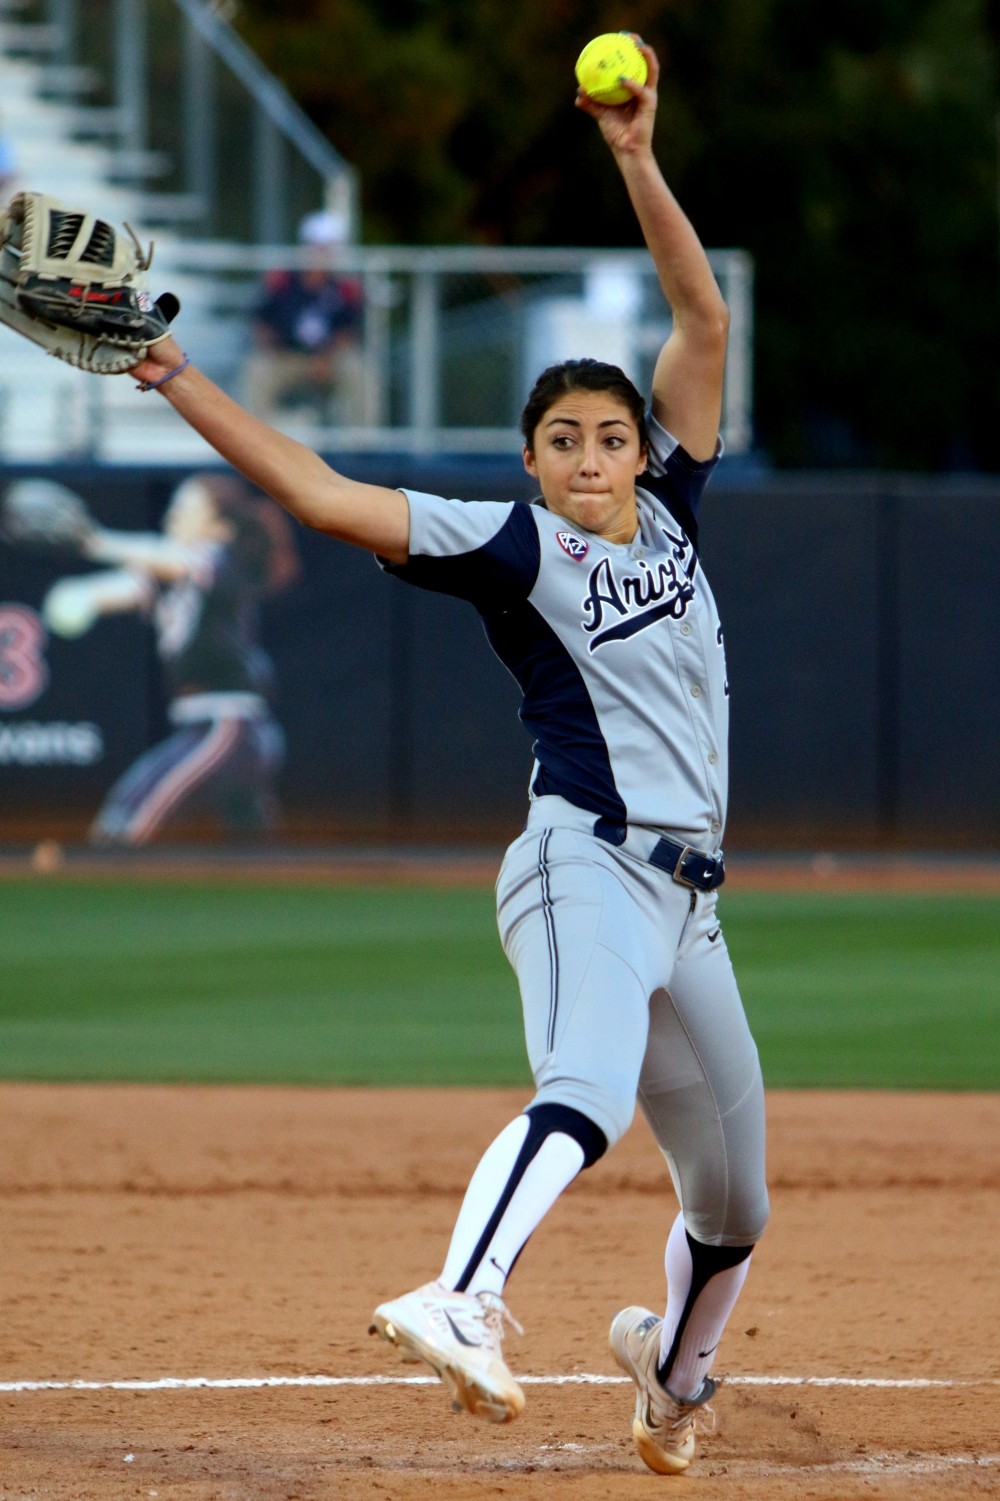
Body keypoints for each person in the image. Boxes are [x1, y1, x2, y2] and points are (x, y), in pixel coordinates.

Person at [122, 38, 768, 1475]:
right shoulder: (517, 543)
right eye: (565, 440)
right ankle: (459, 1293)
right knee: (587, 1091)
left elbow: (702, 313)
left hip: (694, 907)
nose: (596, 456)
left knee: (736, 1206)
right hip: (583, 866)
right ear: (531, 461)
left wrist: (635, 157)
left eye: (612, 434)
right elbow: (319, 488)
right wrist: (171, 371)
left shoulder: (674, 509)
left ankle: (671, 1381)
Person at [40, 473, 299, 845]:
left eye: (186, 508)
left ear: (220, 528)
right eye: (174, 507)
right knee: (251, 853)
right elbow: (117, 588)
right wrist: (76, 593)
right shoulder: (164, 574)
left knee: (124, 828)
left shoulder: (219, 561)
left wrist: (94, 540)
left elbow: (178, 561)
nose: (172, 517)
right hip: (204, 727)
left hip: (229, 727)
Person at [243, 208, 368, 426]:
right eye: (319, 246)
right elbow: (261, 322)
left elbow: (350, 331)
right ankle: (252, 445)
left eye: (329, 248)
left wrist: (325, 357)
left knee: (358, 371)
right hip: (287, 356)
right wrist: (274, 347)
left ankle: (363, 447)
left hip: (330, 359)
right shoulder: (282, 282)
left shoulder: (345, 288)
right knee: (258, 371)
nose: (323, 254)